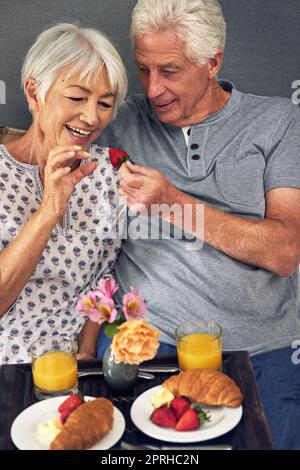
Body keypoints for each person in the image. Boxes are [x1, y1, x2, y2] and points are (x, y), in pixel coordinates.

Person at [98, 0, 300, 449]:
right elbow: (45, 139)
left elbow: (285, 250)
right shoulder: (119, 119)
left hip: (264, 348)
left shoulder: (278, 121)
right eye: (143, 69)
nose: (152, 89)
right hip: (151, 344)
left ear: (213, 62)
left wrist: (172, 202)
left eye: (169, 71)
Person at [0, 23, 127, 364]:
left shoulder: (107, 174)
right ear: (33, 93)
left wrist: (86, 354)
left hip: (73, 365)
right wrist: (49, 211)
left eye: (104, 103)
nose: (90, 117)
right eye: (76, 97)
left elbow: (104, 280)